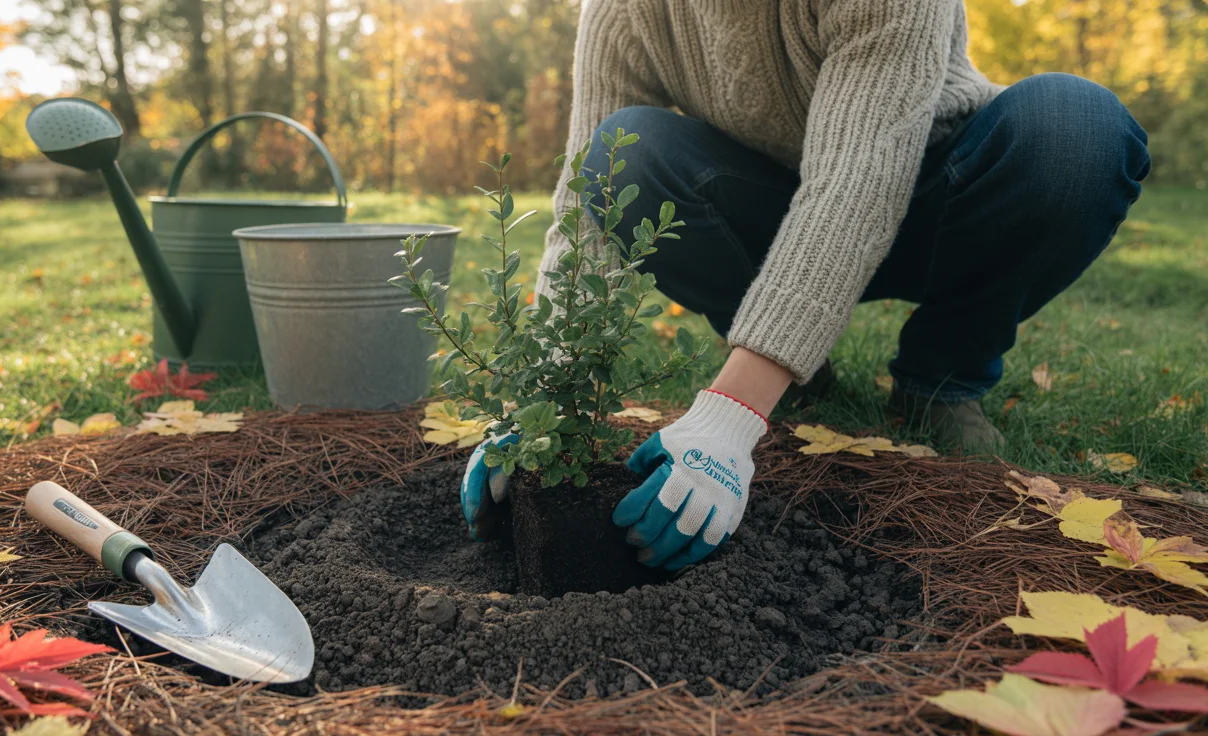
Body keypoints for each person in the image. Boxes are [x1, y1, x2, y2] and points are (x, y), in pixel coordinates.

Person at [462, 0, 1151, 572]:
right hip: (766, 211)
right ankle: (797, 365)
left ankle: (941, 377)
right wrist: (542, 400)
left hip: (937, 197)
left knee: (1076, 131)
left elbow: (857, 181)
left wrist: (731, 415)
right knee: (623, 156)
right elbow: (589, 216)